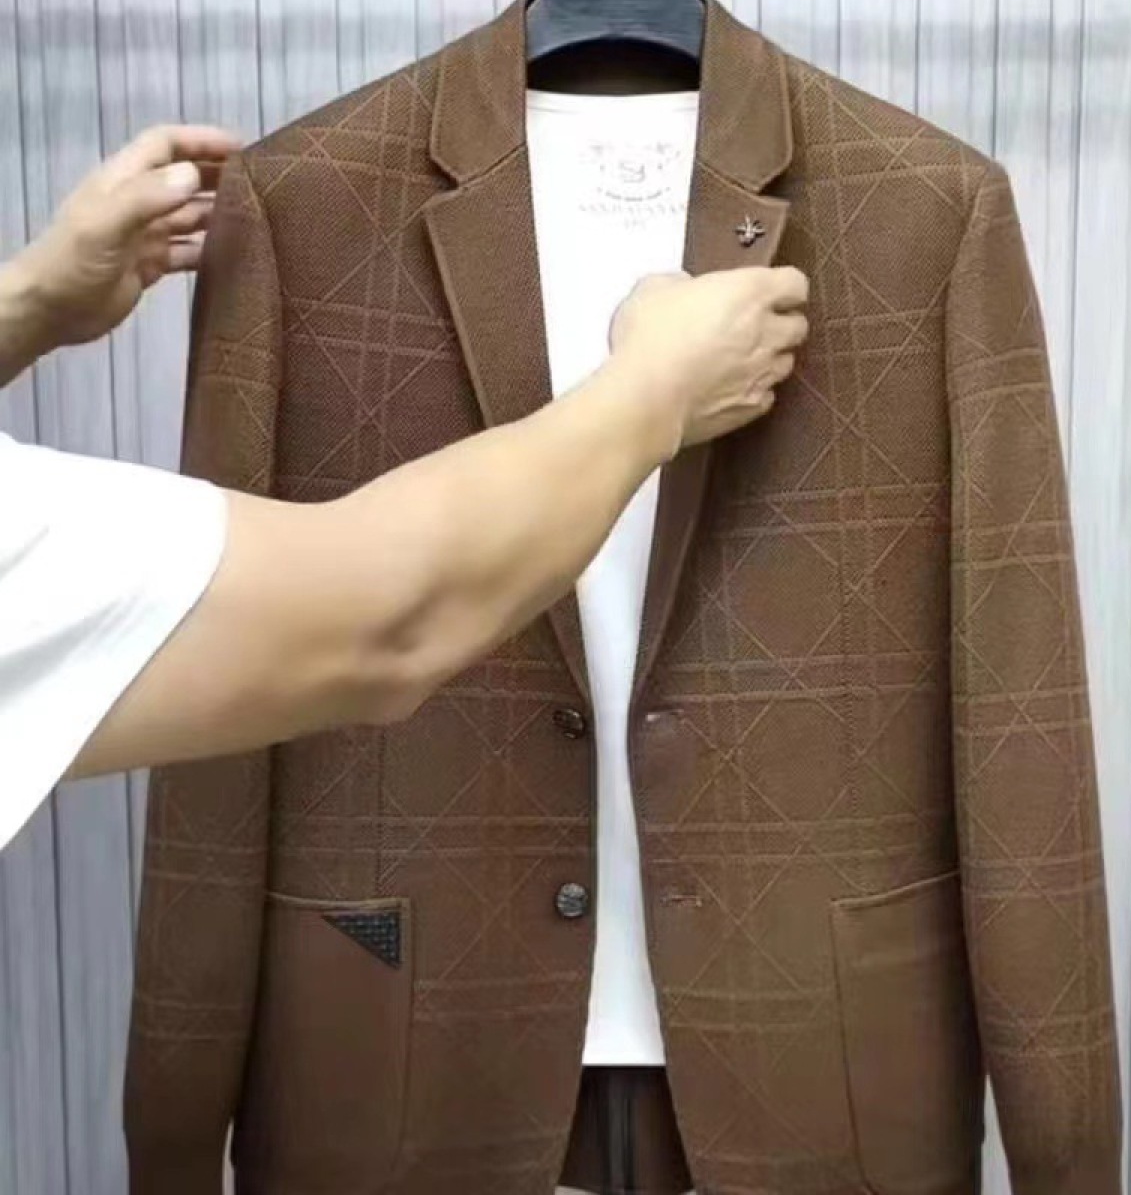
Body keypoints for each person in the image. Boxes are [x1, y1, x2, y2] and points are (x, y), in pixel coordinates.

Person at [0, 124, 809, 851]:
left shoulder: (873, 170)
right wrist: (658, 389)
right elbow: (382, 619)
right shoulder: (308, 192)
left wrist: (25, 304)